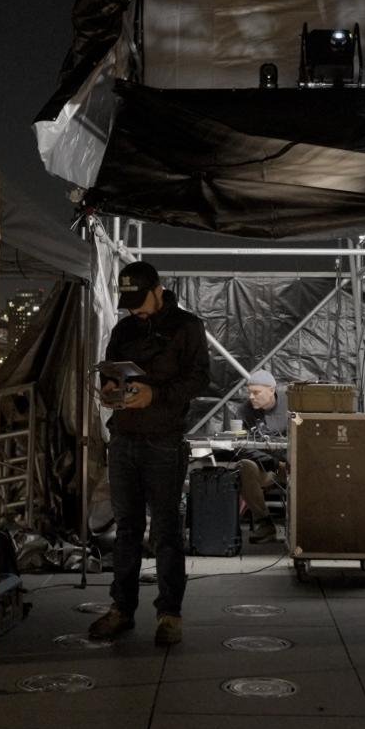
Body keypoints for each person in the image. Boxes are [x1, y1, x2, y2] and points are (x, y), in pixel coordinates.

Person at [88, 260, 210, 647]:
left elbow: (199, 378)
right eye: (130, 303)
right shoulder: (124, 328)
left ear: (159, 290)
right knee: (125, 528)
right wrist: (109, 389)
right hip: (123, 437)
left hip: (164, 439)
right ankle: (121, 609)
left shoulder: (187, 327)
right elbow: (109, 372)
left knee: (165, 530)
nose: (136, 309)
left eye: (141, 301)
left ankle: (169, 613)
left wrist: (155, 394)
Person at [232, 369, 287, 544]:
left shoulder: (291, 405)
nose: (252, 397)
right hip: (265, 469)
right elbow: (240, 447)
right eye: (249, 393)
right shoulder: (244, 412)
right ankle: (264, 523)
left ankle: (305, 525)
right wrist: (274, 463)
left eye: (256, 393)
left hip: (292, 467)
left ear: (272, 390)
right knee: (244, 465)